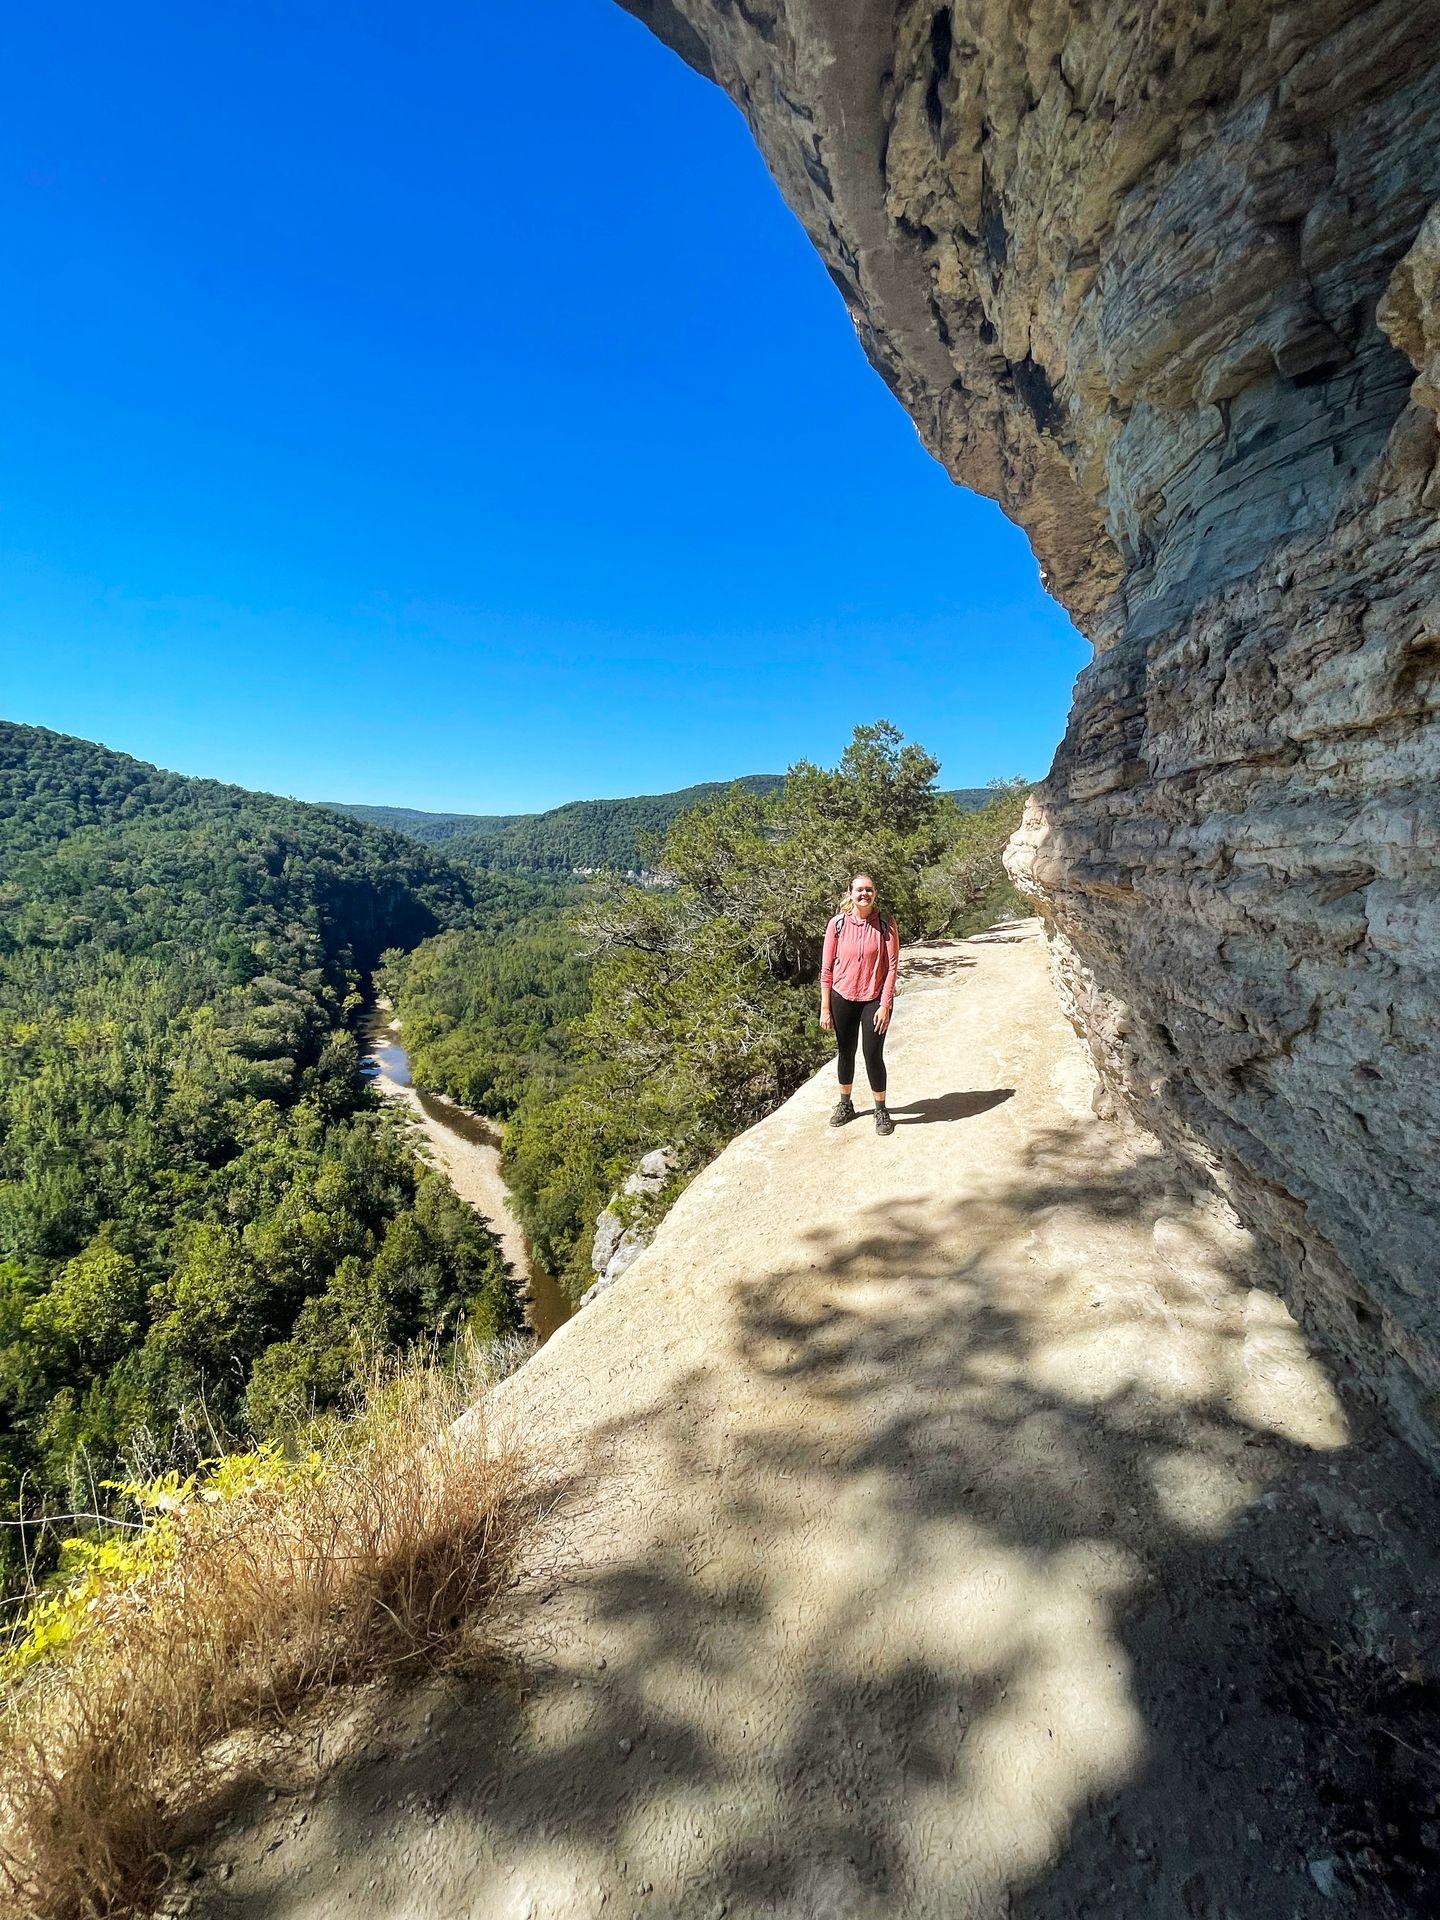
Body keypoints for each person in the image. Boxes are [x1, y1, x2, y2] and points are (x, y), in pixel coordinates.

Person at [820, 874, 900, 1135]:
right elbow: (827, 968)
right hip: (842, 996)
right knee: (845, 1052)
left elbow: (892, 967)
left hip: (873, 999)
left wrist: (885, 1003)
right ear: (850, 893)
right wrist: (825, 1007)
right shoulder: (838, 924)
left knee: (872, 1054)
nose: (864, 894)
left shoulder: (886, 924)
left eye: (869, 890)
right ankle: (845, 1104)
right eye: (859, 890)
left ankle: (881, 1109)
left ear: (875, 893)